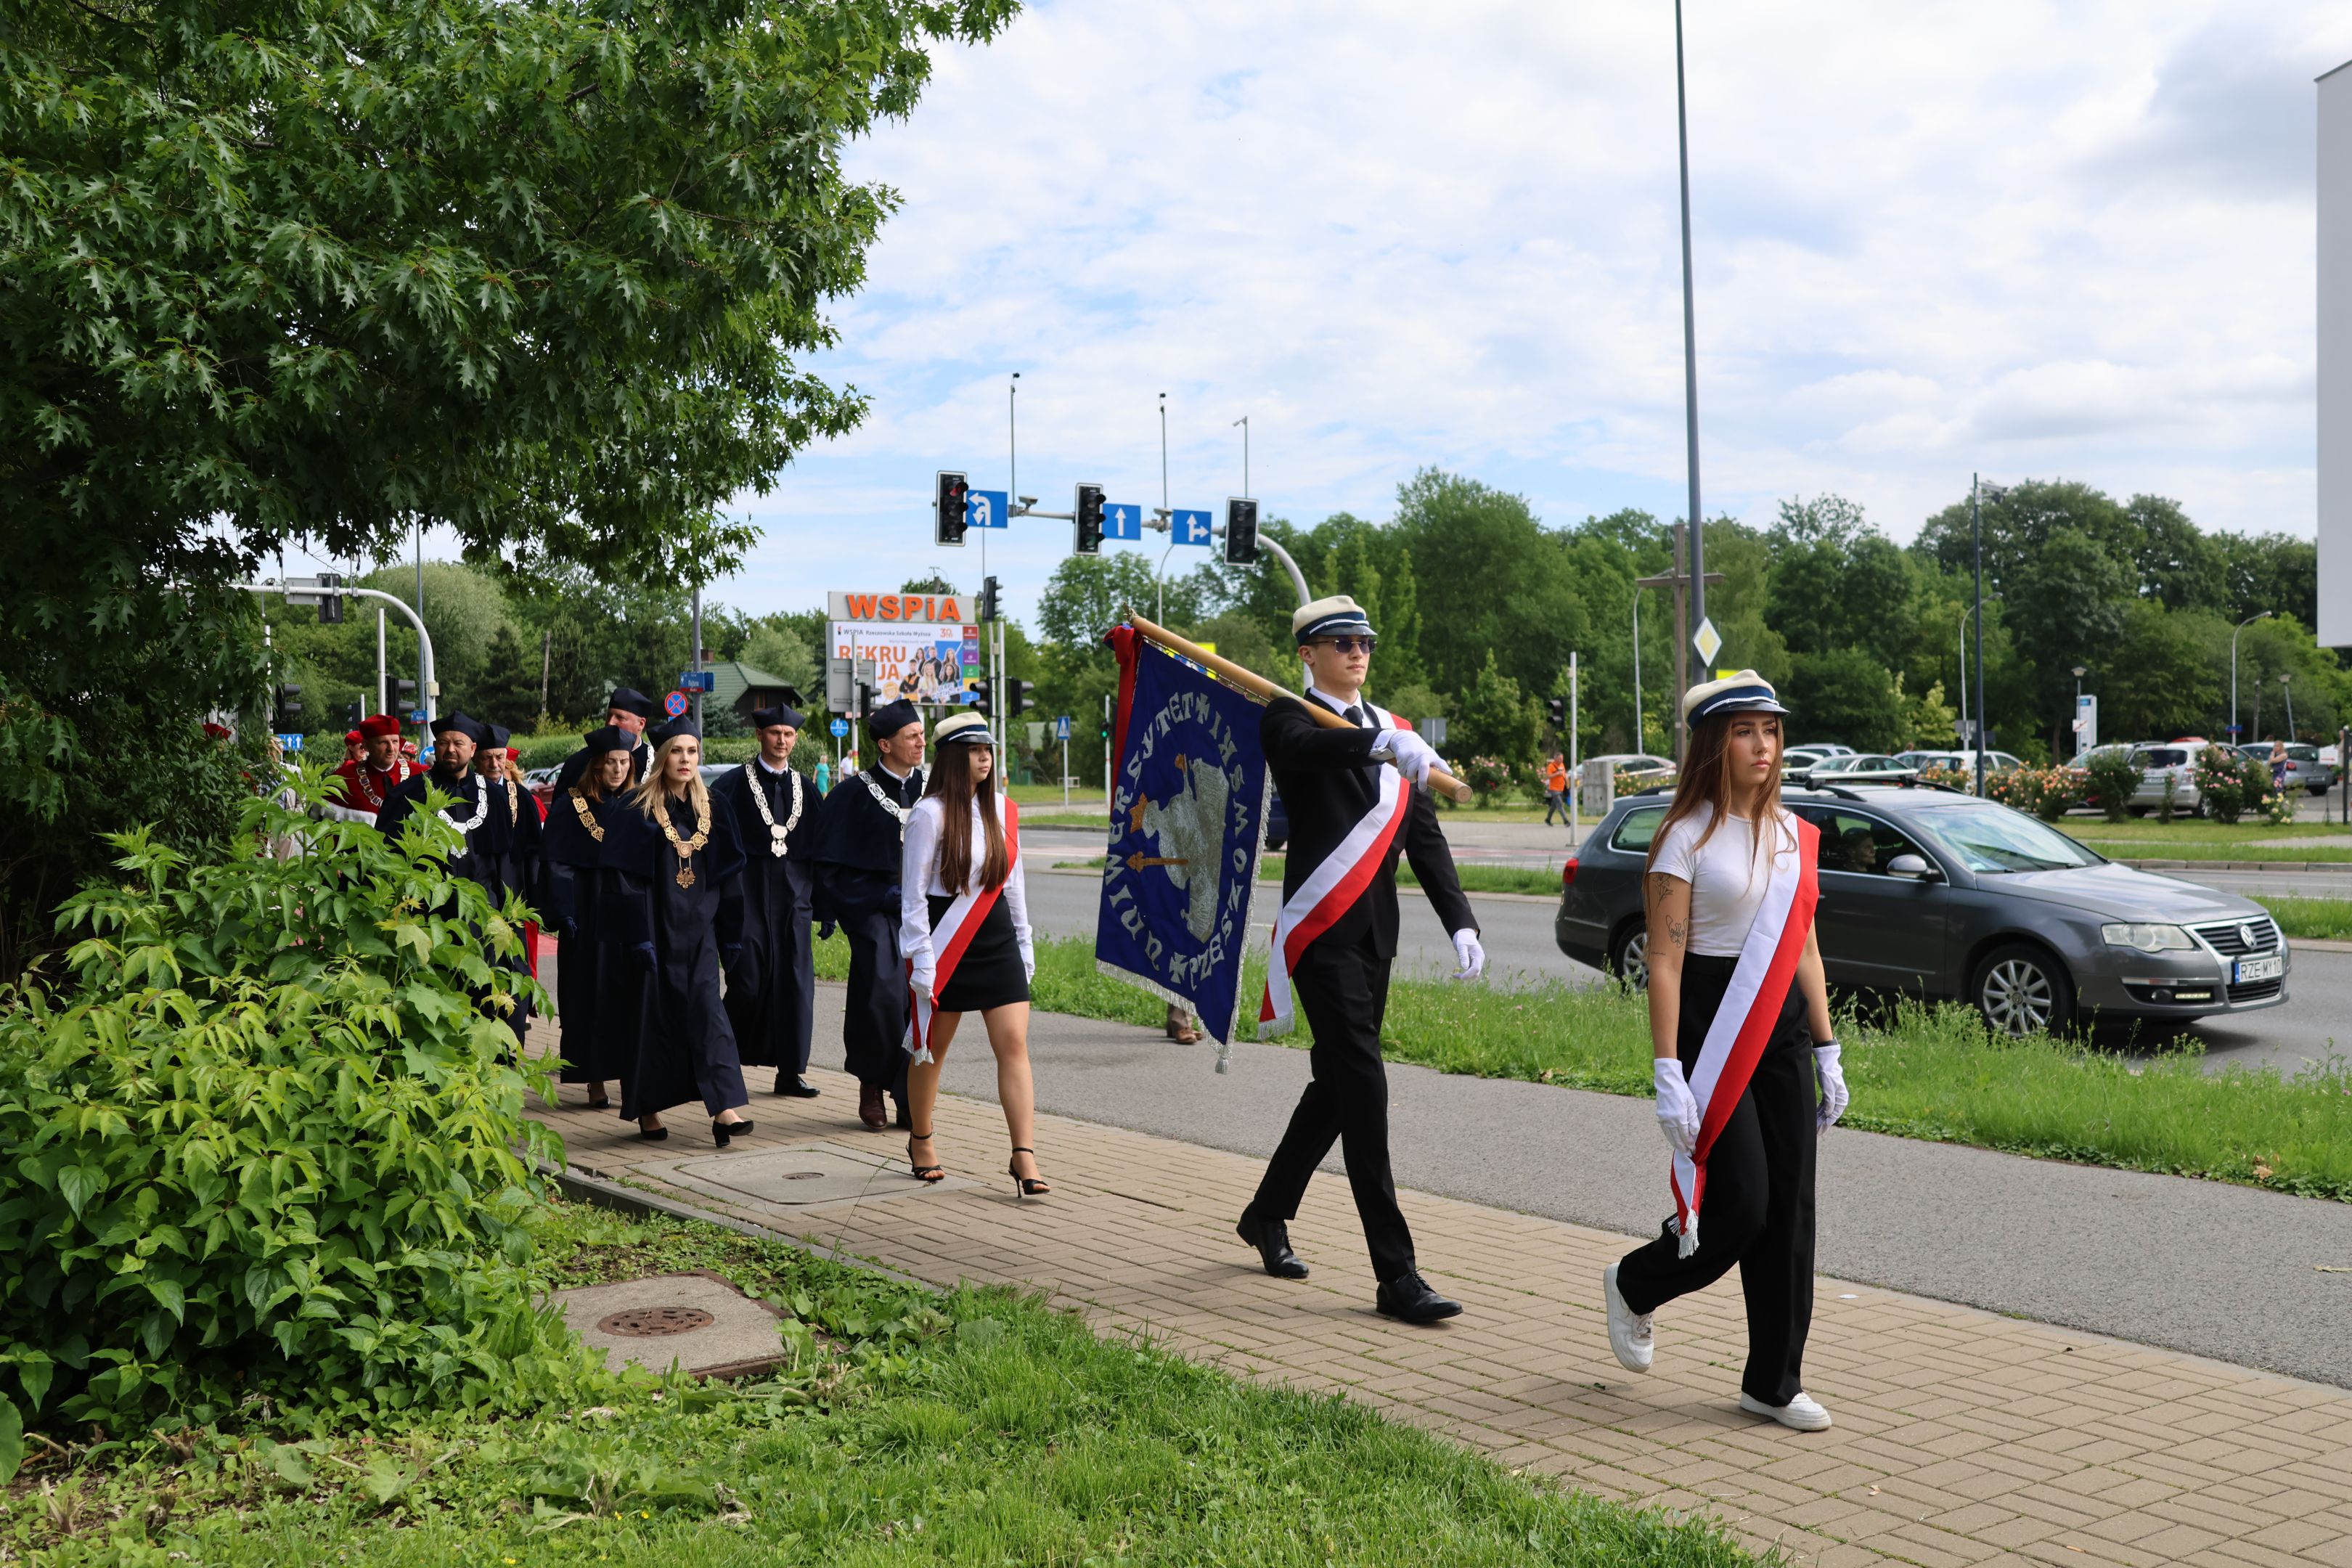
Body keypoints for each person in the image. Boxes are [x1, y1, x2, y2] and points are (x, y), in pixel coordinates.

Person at [1601, 670, 1847, 1434]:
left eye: (1771, 730)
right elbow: (1665, 960)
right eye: (1745, 731)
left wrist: (1828, 1048)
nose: (1763, 746)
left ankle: (1773, 1383)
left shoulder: (1790, 834)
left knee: (1792, 1211)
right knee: (1740, 1206)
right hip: (1712, 1024)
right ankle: (1637, 1283)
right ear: (1714, 743)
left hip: (1782, 1029)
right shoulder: (1684, 837)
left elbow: (1804, 945)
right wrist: (1666, 1069)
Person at [1236, 595, 1483, 1325]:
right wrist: (1379, 745)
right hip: (1321, 937)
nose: (1356, 652)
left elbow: (1424, 837)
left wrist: (1460, 922)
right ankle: (1396, 1275)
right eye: (1341, 642)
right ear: (1308, 654)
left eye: (1365, 642)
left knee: (1338, 1088)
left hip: (1375, 936)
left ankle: (1266, 1213)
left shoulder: (1396, 731)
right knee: (1366, 1091)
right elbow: (1308, 751)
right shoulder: (1287, 715)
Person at [899, 711, 1047, 1194]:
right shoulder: (930, 813)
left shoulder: (1003, 809)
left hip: (996, 937)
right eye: (975, 751)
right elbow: (913, 896)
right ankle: (921, 1139)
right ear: (953, 758)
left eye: (988, 750)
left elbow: (1014, 885)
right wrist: (922, 957)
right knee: (931, 1049)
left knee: (1014, 1044)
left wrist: (1024, 942)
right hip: (947, 939)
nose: (985, 758)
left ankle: (1023, 1154)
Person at [600, 717, 755, 1145]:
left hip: (700, 929)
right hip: (654, 926)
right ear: (662, 757)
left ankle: (724, 1109)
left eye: (692, 751)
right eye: (677, 751)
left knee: (708, 1012)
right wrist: (637, 935)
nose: (685, 760)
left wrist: (731, 936)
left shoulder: (715, 807)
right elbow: (623, 879)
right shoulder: (635, 809)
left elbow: (729, 878)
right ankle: (648, 1109)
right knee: (651, 1017)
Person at [807, 700, 926, 1131]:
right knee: (881, 995)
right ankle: (872, 1084)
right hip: (874, 911)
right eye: (912, 736)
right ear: (885, 744)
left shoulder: (933, 790)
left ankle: (911, 1094)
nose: (921, 742)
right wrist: (877, 896)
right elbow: (832, 867)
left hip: (924, 911)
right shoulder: (852, 795)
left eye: (922, 735)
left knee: (922, 1000)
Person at [711, 696, 822, 1098]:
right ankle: (719, 1061)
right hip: (747, 899)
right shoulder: (730, 787)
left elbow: (820, 853)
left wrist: (824, 908)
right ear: (759, 735)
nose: (782, 740)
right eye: (775, 733)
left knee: (795, 986)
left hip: (794, 901)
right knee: (748, 982)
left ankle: (790, 1072)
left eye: (788, 734)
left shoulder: (807, 789)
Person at [539, 726, 638, 1110]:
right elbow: (557, 864)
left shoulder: (638, 803)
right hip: (588, 910)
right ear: (597, 765)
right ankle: (595, 1077)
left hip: (629, 909)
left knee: (629, 994)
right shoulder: (571, 805)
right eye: (611, 762)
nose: (617, 769)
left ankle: (632, 1075)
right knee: (590, 995)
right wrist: (563, 910)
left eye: (624, 762)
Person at [555, 687, 657, 791]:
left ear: (641, 724)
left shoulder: (655, 764)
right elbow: (568, 794)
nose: (610, 722)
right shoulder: (579, 761)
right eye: (609, 715)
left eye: (620, 717)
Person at [333, 714, 417, 818]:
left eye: (395, 741)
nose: (391, 749)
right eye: (383, 742)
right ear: (366, 746)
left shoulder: (421, 774)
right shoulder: (343, 778)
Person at [1543, 752, 1572, 826]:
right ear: (1555, 759)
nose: (1561, 760)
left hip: (1561, 788)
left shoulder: (1562, 764)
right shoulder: (1551, 766)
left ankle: (1548, 819)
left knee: (1554, 805)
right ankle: (1566, 821)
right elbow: (1548, 776)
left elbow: (1564, 774)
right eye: (1560, 759)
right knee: (1560, 804)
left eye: (1562, 758)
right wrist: (1556, 774)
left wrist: (1567, 782)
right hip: (1554, 789)